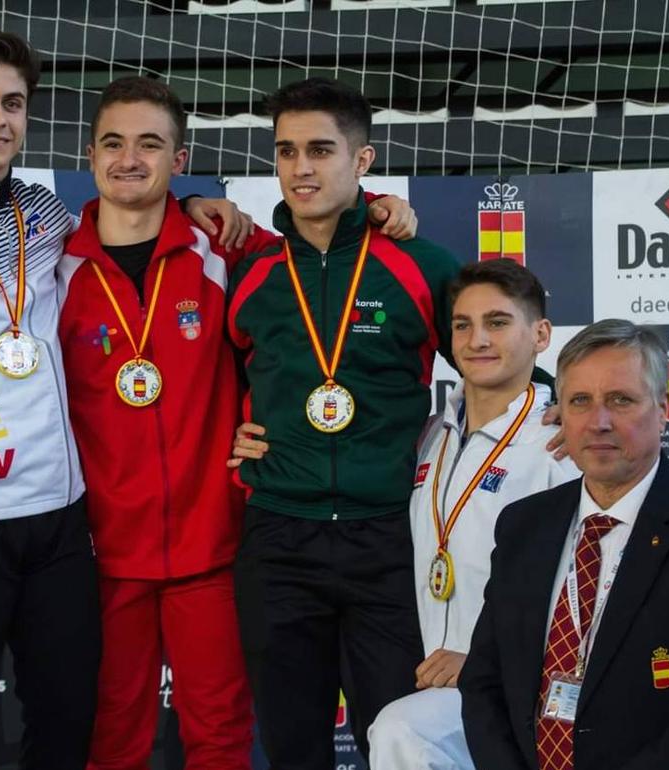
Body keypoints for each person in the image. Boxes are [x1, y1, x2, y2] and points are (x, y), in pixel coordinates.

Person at [0, 30, 256, 770]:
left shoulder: (44, 218)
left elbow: (142, 215)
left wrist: (199, 203)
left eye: (12, 103)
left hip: (62, 527)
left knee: (67, 726)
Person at [58, 76, 418, 769]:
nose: (130, 159)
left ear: (181, 158)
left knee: (222, 736)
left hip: (215, 543)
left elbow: (318, 247)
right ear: (89, 153)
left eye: (150, 144)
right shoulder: (51, 267)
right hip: (103, 550)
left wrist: (376, 209)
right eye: (113, 143)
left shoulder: (225, 250)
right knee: (111, 737)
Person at [224, 77, 463, 767]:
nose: (301, 168)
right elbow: (208, 384)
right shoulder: (251, 271)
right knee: (292, 745)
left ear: (362, 161)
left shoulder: (419, 263)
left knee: (393, 738)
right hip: (279, 537)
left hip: (388, 539)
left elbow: (488, 362)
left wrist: (550, 412)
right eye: (286, 151)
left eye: (322, 150)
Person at [460, 319, 669, 770]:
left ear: (663, 409)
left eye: (621, 400)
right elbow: (484, 684)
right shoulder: (523, 525)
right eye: (580, 401)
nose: (598, 422)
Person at [366, 259, 579, 770]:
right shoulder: (433, 434)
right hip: (443, 682)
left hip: (523, 684)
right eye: (463, 325)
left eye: (498, 323)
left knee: (400, 732)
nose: (477, 339)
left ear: (541, 334)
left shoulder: (560, 443)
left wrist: (489, 660)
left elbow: (580, 589)